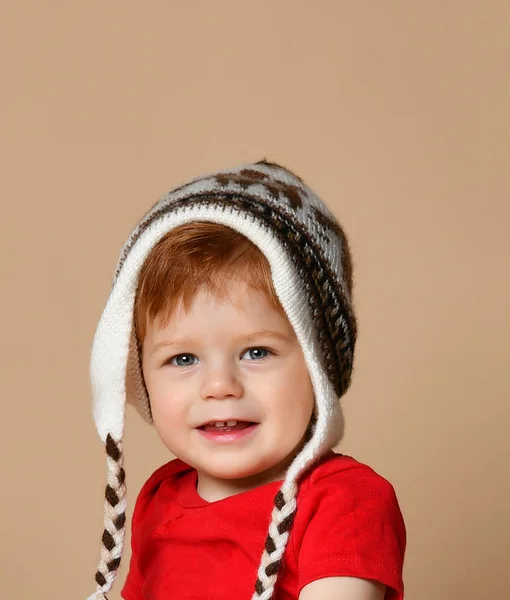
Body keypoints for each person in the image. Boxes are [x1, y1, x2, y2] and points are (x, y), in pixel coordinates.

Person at [86, 160, 406, 600]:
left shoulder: (343, 503)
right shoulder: (159, 500)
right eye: (183, 358)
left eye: (257, 352)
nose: (219, 386)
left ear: (317, 368)